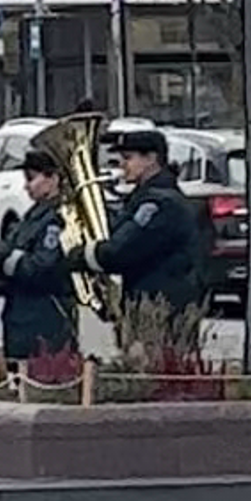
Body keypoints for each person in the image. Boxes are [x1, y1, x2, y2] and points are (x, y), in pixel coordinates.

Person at [93, 123, 214, 375]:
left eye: (128, 158)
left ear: (151, 159)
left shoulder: (159, 203)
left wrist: (86, 255)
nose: (122, 165)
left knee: (154, 378)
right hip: (148, 305)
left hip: (162, 311)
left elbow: (121, 250)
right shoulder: (145, 197)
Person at [0, 140, 82, 384]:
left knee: (44, 384)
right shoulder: (33, 216)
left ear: (53, 178)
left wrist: (5, 257)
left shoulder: (57, 219)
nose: (26, 186)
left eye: (32, 178)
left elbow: (42, 266)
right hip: (21, 316)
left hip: (44, 318)